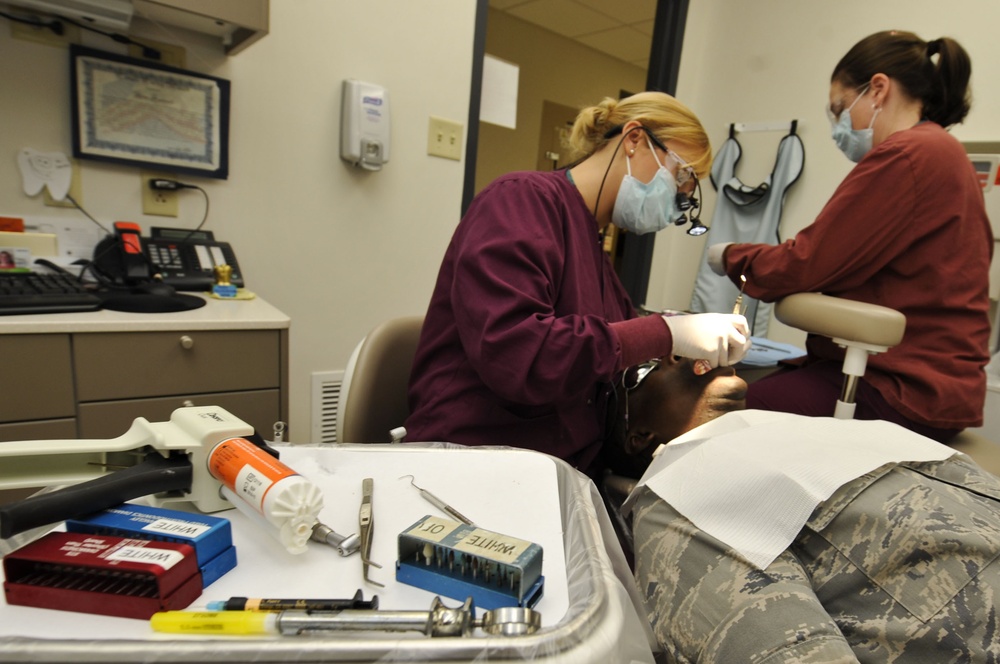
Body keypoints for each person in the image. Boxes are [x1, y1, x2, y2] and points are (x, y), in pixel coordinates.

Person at [405, 92, 751, 476]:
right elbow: (522, 358)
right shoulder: (521, 200)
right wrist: (667, 332)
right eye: (683, 175)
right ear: (634, 139)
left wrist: (683, 344)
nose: (684, 198)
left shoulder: (594, 249)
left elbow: (609, 351)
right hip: (471, 458)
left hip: (557, 466)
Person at [611, 356, 1000, 663]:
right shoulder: (678, 493)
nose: (675, 356)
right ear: (639, 436)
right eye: (645, 369)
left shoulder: (830, 430)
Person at [706, 30, 993, 442]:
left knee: (717, 416)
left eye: (840, 108)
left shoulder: (907, 155)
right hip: (935, 386)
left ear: (878, 90)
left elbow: (805, 264)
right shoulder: (942, 152)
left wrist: (729, 255)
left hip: (902, 388)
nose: (840, 124)